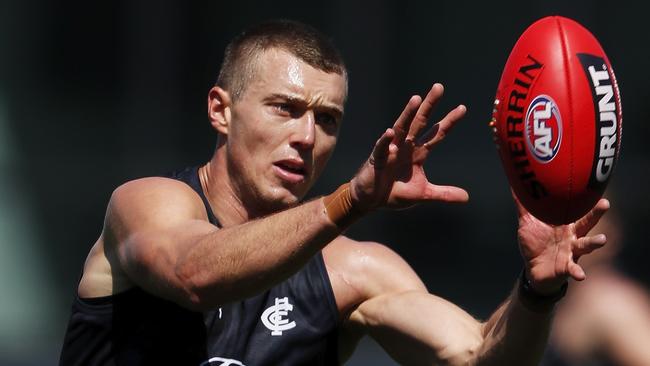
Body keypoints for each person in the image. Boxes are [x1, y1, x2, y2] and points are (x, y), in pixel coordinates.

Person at [59, 19, 610, 366]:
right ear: (220, 111)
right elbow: (194, 275)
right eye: (285, 108)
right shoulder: (147, 203)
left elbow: (474, 355)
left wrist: (536, 293)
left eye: (327, 119)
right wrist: (350, 200)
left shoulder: (352, 271)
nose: (305, 136)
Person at [542, 206, 650, 366]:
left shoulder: (612, 303)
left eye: (577, 219)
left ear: (611, 232)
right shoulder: (564, 297)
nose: (562, 232)